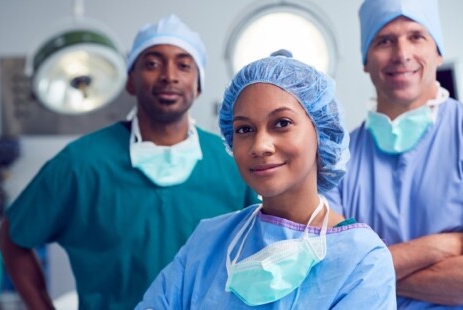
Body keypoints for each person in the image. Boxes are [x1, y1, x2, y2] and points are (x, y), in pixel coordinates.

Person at [0, 14, 258, 309]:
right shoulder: (81, 163)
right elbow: (12, 237)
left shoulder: (232, 161)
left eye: (184, 65)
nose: (169, 76)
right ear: (130, 82)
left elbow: (262, 249)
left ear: (198, 85)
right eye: (152, 63)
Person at [136, 51, 397, 309]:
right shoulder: (208, 241)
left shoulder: (362, 261)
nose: (260, 145)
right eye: (244, 129)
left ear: (321, 131)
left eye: (282, 123)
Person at [324, 0, 463, 308]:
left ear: (438, 52)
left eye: (416, 36)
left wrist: (362, 269)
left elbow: (343, 276)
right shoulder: (335, 160)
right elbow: (326, 272)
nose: (402, 54)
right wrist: (441, 246)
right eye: (384, 40)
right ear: (365, 59)